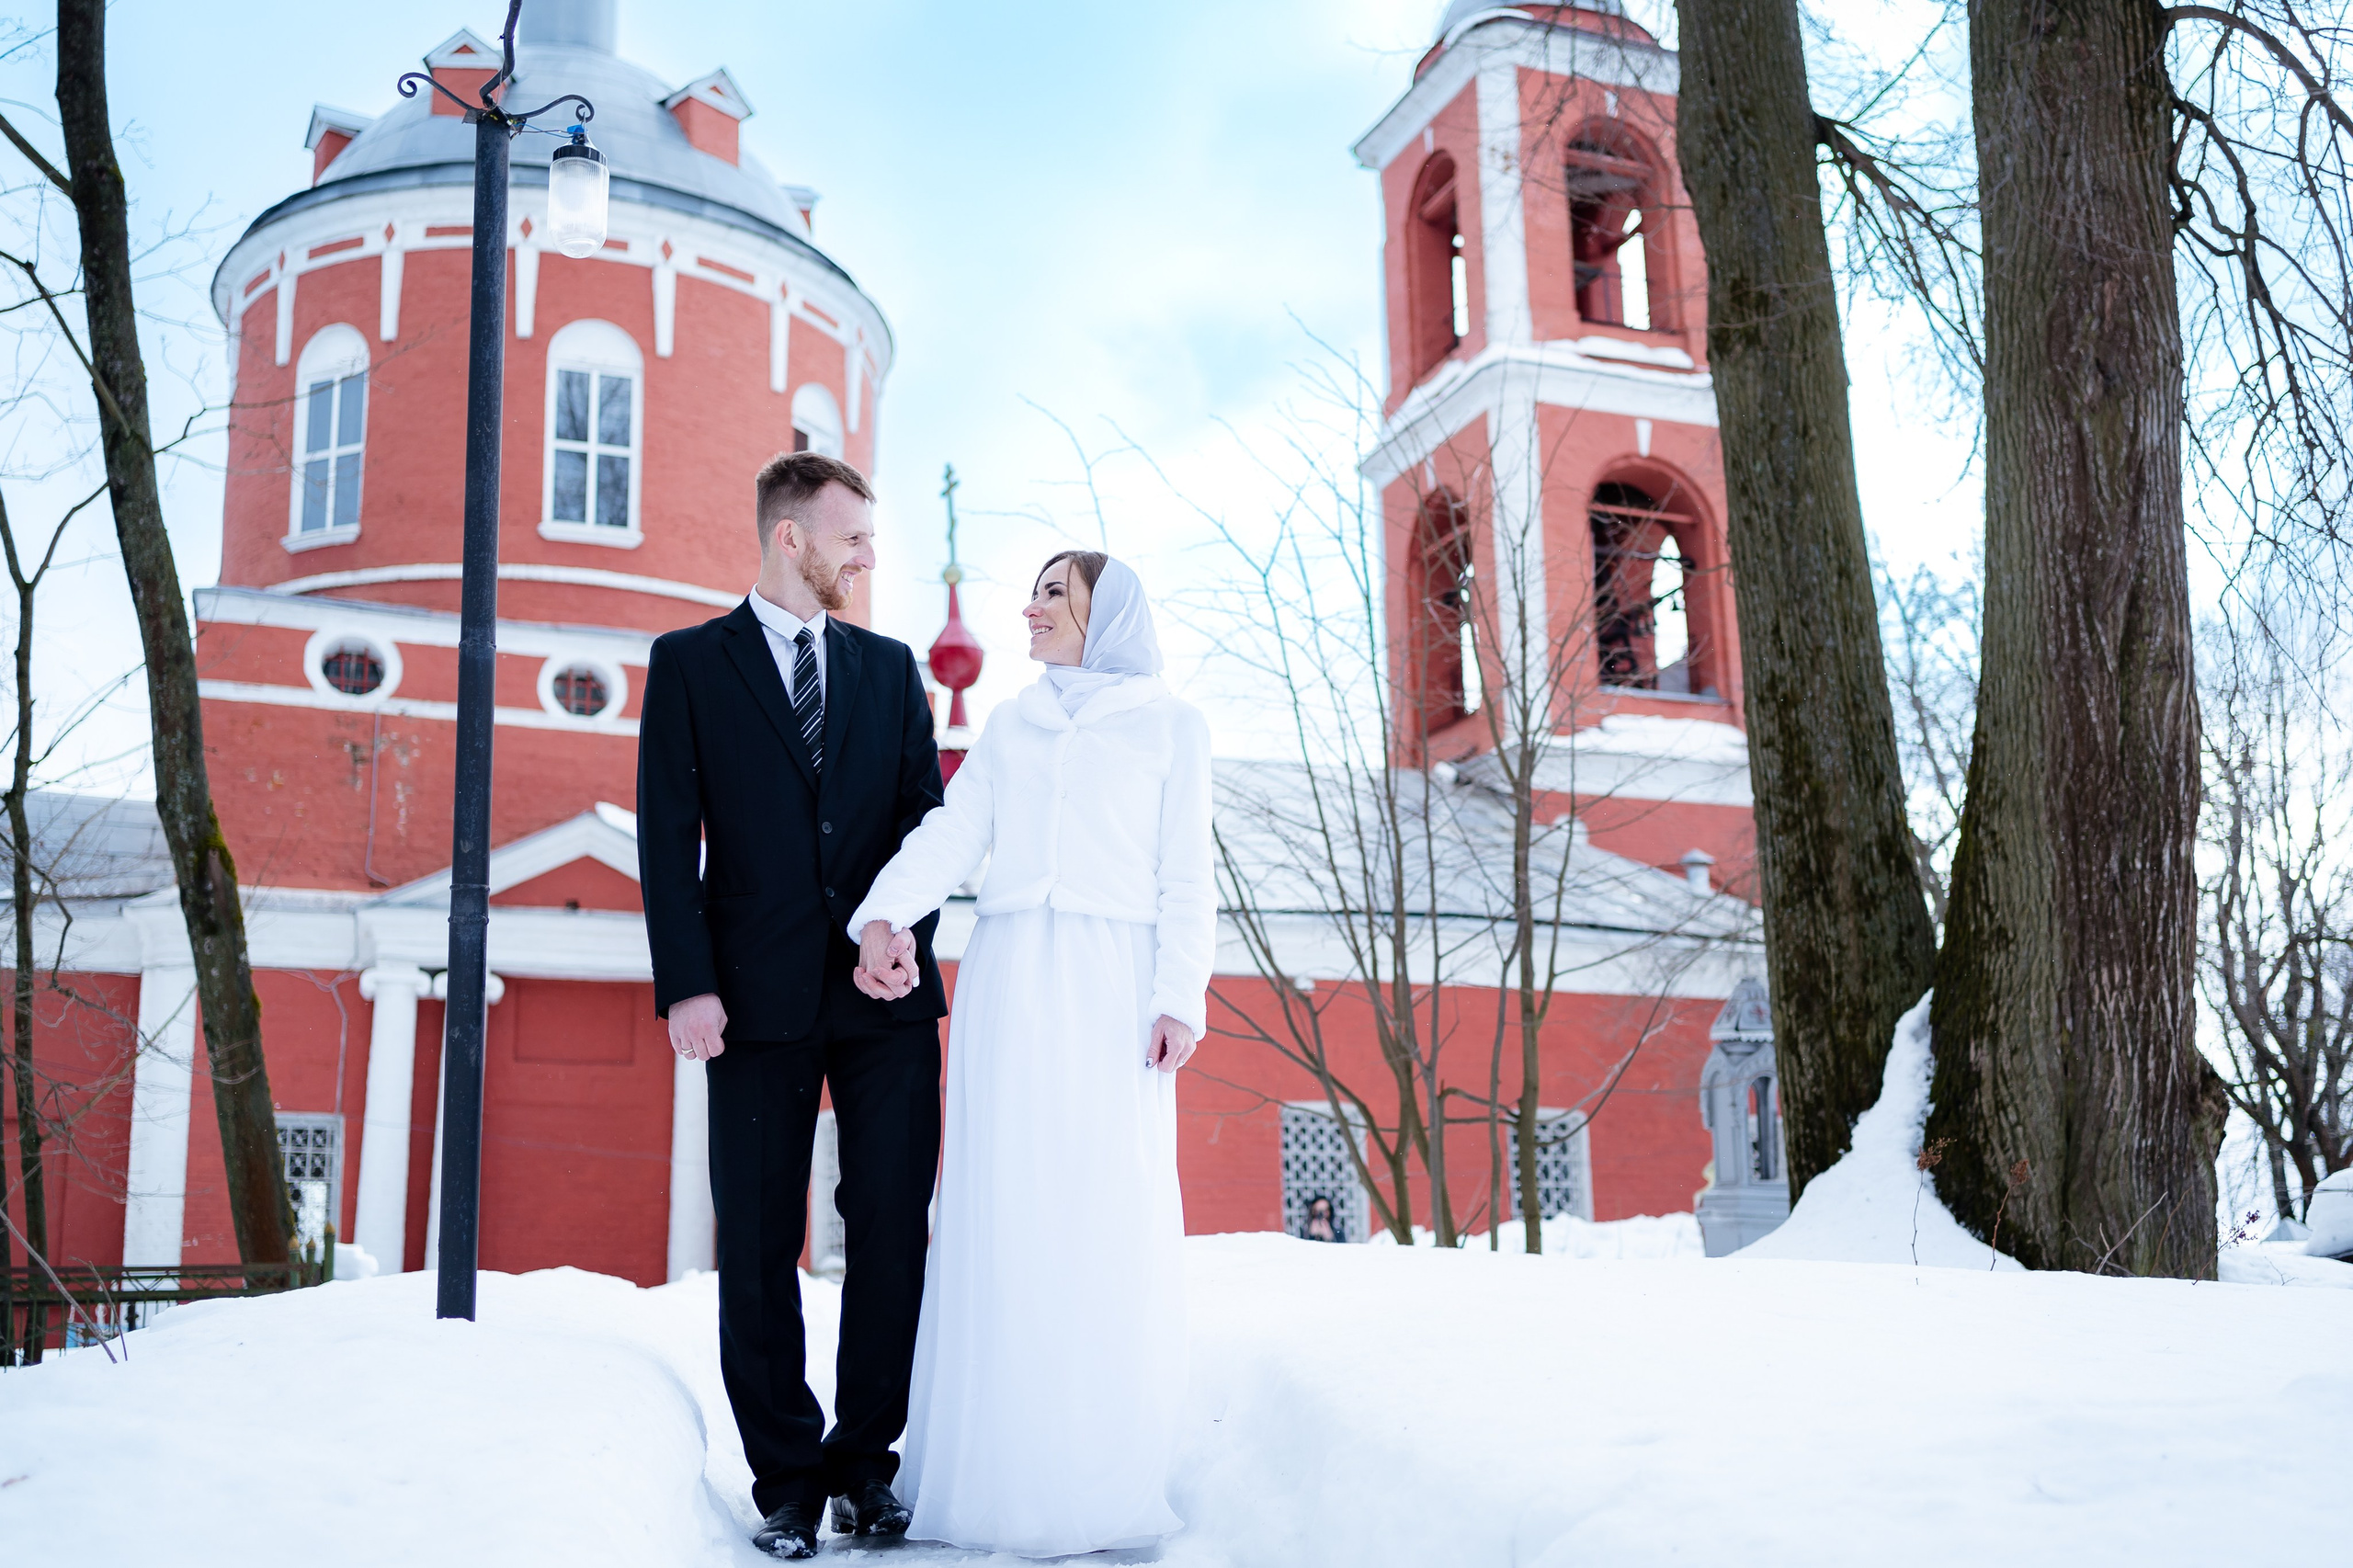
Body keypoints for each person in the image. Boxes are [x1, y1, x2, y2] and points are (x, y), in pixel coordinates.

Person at [847, 550, 1214, 1557]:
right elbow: (950, 834)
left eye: (1056, 592)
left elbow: (1187, 871)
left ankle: (1089, 1469)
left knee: (1097, 1204)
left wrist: (1177, 994)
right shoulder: (1012, 722)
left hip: (1114, 982)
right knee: (1002, 1203)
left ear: (1108, 610)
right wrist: (884, 914)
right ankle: (992, 1472)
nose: (1032, 607)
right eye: (1037, 591)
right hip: (1010, 974)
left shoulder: (1171, 724)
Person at [635, 451, 947, 1561]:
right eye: (853, 537)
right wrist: (687, 984)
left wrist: (901, 939)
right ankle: (787, 1480)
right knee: (761, 1241)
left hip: (885, 999)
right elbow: (667, 841)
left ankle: (868, 1466)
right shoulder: (688, 666)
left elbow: (929, 830)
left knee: (892, 1233)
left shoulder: (890, 666)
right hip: (749, 1002)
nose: (868, 557)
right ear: (790, 538)